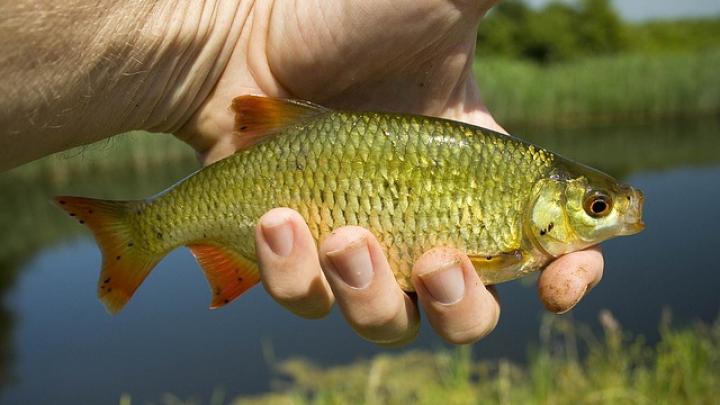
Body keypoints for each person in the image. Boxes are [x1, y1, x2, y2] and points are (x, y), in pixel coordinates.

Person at [0, 1, 603, 345]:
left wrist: (223, 51)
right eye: (596, 207)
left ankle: (148, 231)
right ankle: (140, 230)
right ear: (553, 203)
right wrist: (232, 47)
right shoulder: (517, 234)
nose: (606, 213)